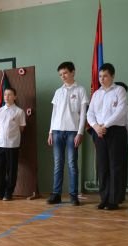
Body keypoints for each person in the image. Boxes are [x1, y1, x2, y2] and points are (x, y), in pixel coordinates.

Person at [86, 63, 128, 210]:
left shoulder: (119, 90)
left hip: (115, 131)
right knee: (102, 166)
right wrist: (96, 126)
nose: (102, 79)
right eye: (100, 76)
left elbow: (121, 111)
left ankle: (113, 200)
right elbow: (90, 113)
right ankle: (104, 198)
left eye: (105, 76)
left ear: (112, 76)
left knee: (115, 166)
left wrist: (105, 125)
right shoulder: (97, 94)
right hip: (99, 132)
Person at [47, 62, 89, 206]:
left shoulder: (80, 90)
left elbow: (83, 114)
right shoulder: (58, 92)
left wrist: (80, 132)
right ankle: (56, 194)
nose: (63, 76)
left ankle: (73, 195)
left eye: (65, 73)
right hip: (57, 131)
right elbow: (54, 114)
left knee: (72, 164)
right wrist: (50, 132)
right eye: (60, 74)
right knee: (58, 164)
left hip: (73, 131)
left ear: (73, 72)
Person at [0, 87, 26, 201]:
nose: (6, 96)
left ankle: (8, 193)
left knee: (11, 169)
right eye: (5, 94)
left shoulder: (19, 111)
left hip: (12, 144)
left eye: (10, 94)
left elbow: (21, 128)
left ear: (15, 97)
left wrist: (11, 136)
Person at [115, 81, 128, 203]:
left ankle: (119, 195)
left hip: (120, 138)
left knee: (119, 167)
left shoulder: (127, 109)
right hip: (106, 138)